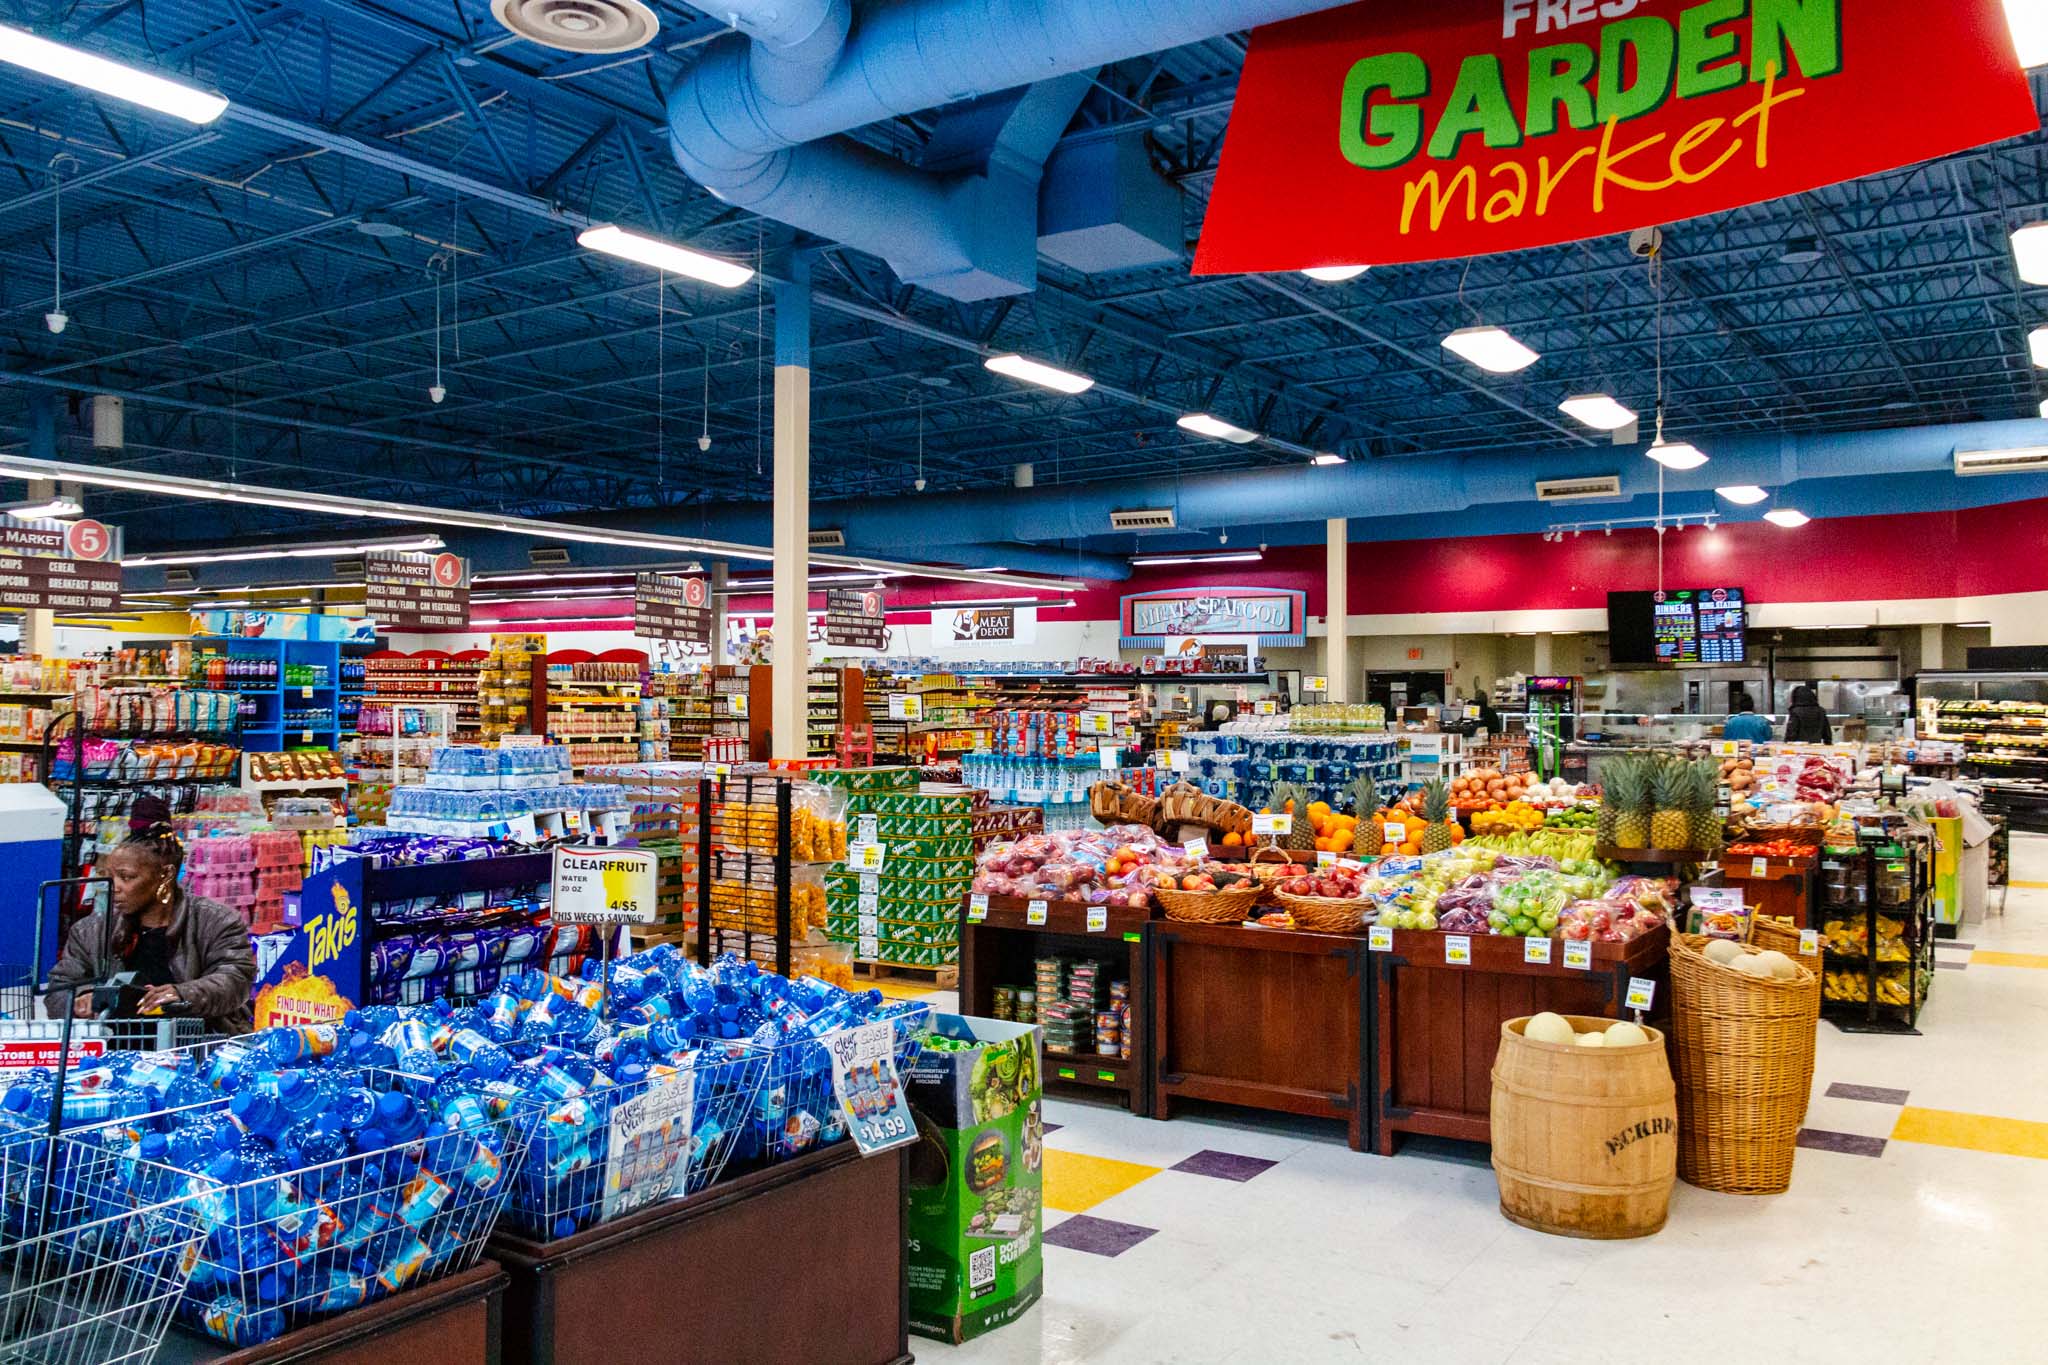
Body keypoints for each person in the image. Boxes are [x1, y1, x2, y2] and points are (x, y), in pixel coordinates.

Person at [46, 799, 256, 1033]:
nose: (114, 886)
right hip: (115, 1051)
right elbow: (58, 989)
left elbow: (235, 978)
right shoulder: (91, 931)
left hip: (196, 1044)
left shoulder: (215, 921)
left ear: (165, 876)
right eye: (110, 876)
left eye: (127, 877)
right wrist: (80, 1000)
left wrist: (182, 994)